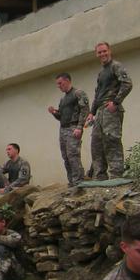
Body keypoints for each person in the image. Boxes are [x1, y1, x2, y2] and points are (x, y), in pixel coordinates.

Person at [85, 42, 132, 180]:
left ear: (109, 51)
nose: (102, 54)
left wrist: (116, 102)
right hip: (99, 112)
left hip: (110, 110)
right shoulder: (101, 73)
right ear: (96, 54)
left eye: (104, 51)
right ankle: (99, 177)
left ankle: (116, 176)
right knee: (96, 144)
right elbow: (98, 93)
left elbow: (127, 83)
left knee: (112, 141)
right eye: (99, 52)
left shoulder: (115, 66)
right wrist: (91, 112)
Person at [48, 73, 90, 187]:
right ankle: (72, 181)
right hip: (63, 129)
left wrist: (79, 127)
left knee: (73, 155)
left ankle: (79, 181)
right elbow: (61, 116)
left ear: (67, 81)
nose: (58, 86)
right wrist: (54, 112)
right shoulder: (63, 99)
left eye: (60, 83)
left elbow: (85, 110)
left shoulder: (78, 93)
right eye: (57, 84)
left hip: (73, 128)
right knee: (66, 156)